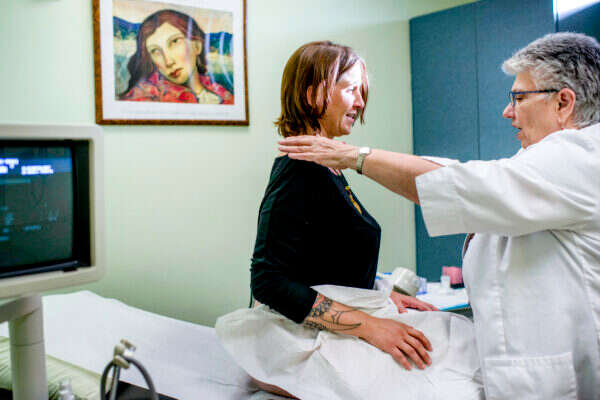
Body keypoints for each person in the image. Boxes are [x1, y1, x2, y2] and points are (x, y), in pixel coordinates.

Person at [278, 32, 600, 399]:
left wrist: (355, 157)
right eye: (350, 89)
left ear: (563, 102)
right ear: (312, 94)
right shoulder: (301, 171)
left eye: (519, 98)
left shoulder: (580, 160)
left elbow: (472, 185)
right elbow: (272, 279)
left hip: (557, 372)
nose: (507, 111)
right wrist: (378, 300)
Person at [119, 9, 233, 104]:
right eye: (155, 51)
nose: (168, 62)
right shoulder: (147, 96)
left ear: (197, 46)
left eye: (174, 41)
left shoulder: (222, 94)